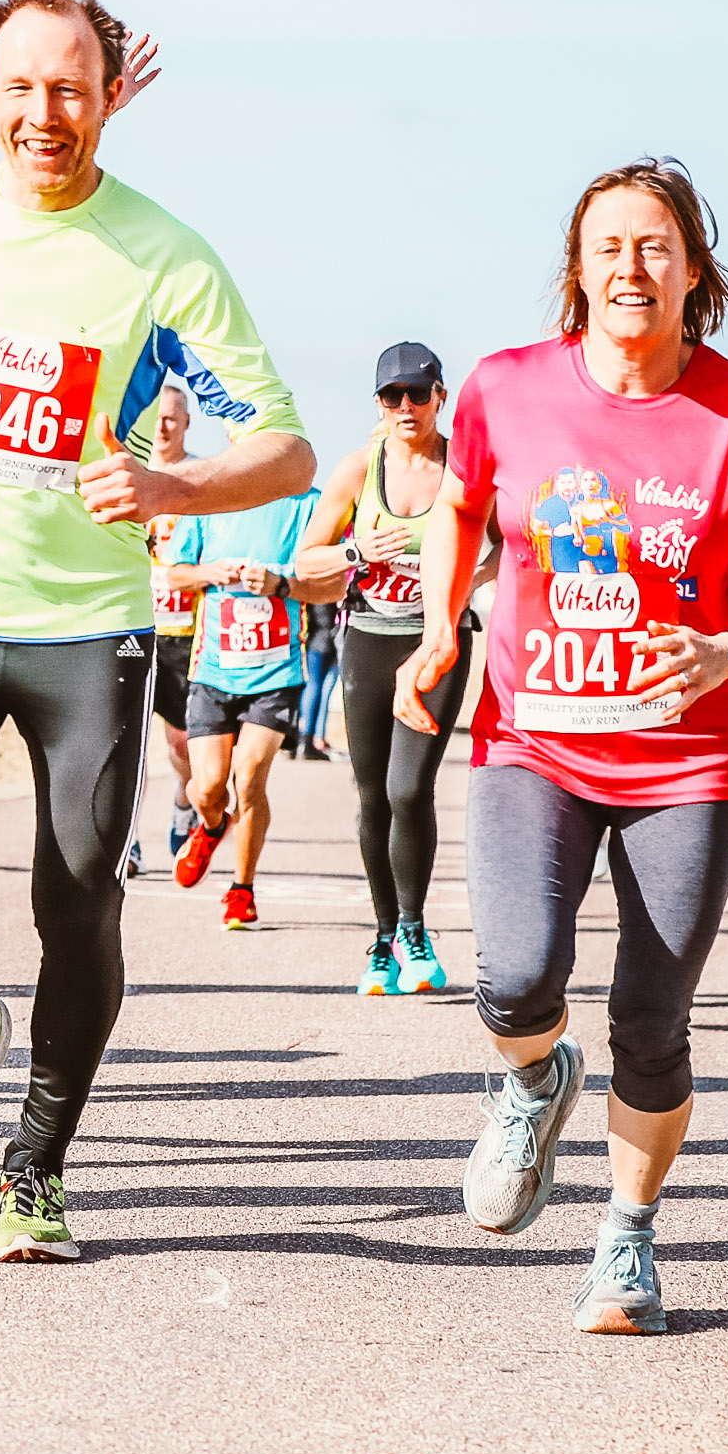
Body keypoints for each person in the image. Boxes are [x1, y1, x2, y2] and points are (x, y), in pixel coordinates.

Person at [0, 0, 315, 1264]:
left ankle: (36, 1161)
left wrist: (176, 487)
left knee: (77, 899)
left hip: (91, 625)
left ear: (108, 97)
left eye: (71, 87)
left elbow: (290, 448)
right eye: (23, 87)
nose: (46, 112)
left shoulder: (165, 256)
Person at [397, 156, 728, 1335]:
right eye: (608, 248)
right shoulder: (505, 388)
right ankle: (536, 1075)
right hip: (534, 734)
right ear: (576, 272)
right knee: (515, 978)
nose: (630, 266)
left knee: (651, 1014)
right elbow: (461, 509)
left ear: (695, 270)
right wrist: (442, 625)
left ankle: (625, 1242)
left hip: (689, 758)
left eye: (655, 246)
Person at [292, 341, 477, 995]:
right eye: (392, 396)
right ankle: (382, 938)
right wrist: (354, 549)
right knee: (372, 796)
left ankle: (414, 925)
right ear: (378, 403)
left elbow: (510, 546)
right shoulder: (356, 470)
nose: (406, 406)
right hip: (367, 637)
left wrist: (460, 582)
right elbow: (303, 564)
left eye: (418, 394)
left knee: (408, 789)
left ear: (440, 397)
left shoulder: (465, 468)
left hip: (436, 644)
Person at [168, 488, 324, 931]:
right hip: (214, 671)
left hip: (278, 673)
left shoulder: (308, 505)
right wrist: (206, 572)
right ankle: (213, 825)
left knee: (251, 776)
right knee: (207, 787)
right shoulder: (208, 496)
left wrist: (281, 585)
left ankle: (241, 890)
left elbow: (333, 582)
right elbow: (174, 574)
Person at [145, 386, 201, 864]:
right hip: (135, 625)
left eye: (172, 419)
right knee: (124, 738)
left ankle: (184, 800)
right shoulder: (130, 471)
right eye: (158, 417)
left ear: (186, 425)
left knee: (180, 741)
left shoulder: (198, 480)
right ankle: (128, 838)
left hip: (185, 629)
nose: (163, 426)